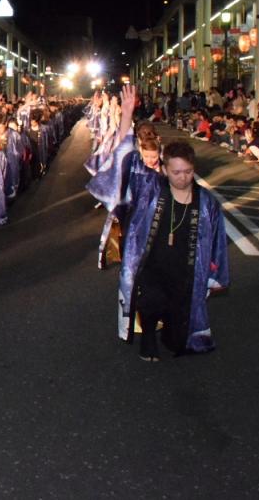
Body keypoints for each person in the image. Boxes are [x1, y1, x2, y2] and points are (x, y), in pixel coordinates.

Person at [89, 85, 229, 361]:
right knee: (151, 302)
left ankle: (172, 332)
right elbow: (125, 156)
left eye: (188, 171)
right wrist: (126, 115)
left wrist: (215, 272)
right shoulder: (150, 185)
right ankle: (148, 338)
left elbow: (217, 241)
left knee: (178, 333)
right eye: (176, 171)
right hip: (151, 258)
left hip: (185, 265)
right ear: (164, 169)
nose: (182, 177)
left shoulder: (207, 203)